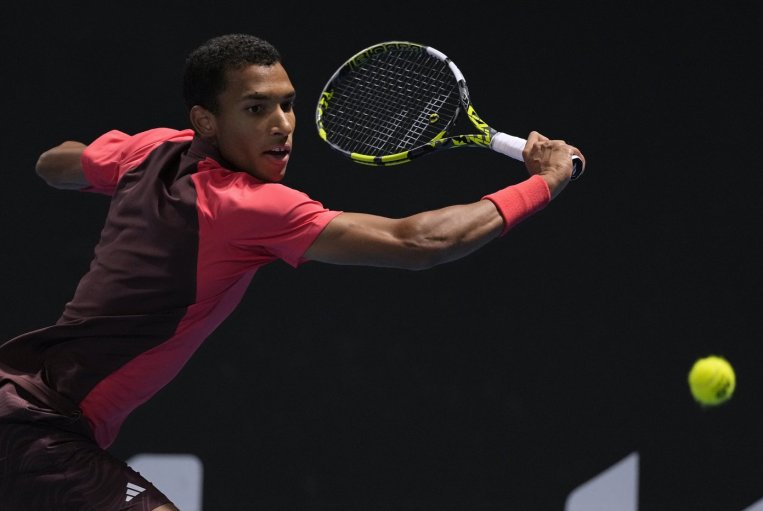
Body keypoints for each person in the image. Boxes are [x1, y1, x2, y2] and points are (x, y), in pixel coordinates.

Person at [0, 34, 584, 510]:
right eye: (257, 109)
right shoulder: (246, 206)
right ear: (207, 120)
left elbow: (53, 164)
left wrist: (109, 165)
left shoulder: (151, 151)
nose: (282, 124)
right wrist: (545, 181)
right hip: (38, 427)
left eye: (288, 104)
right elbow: (420, 241)